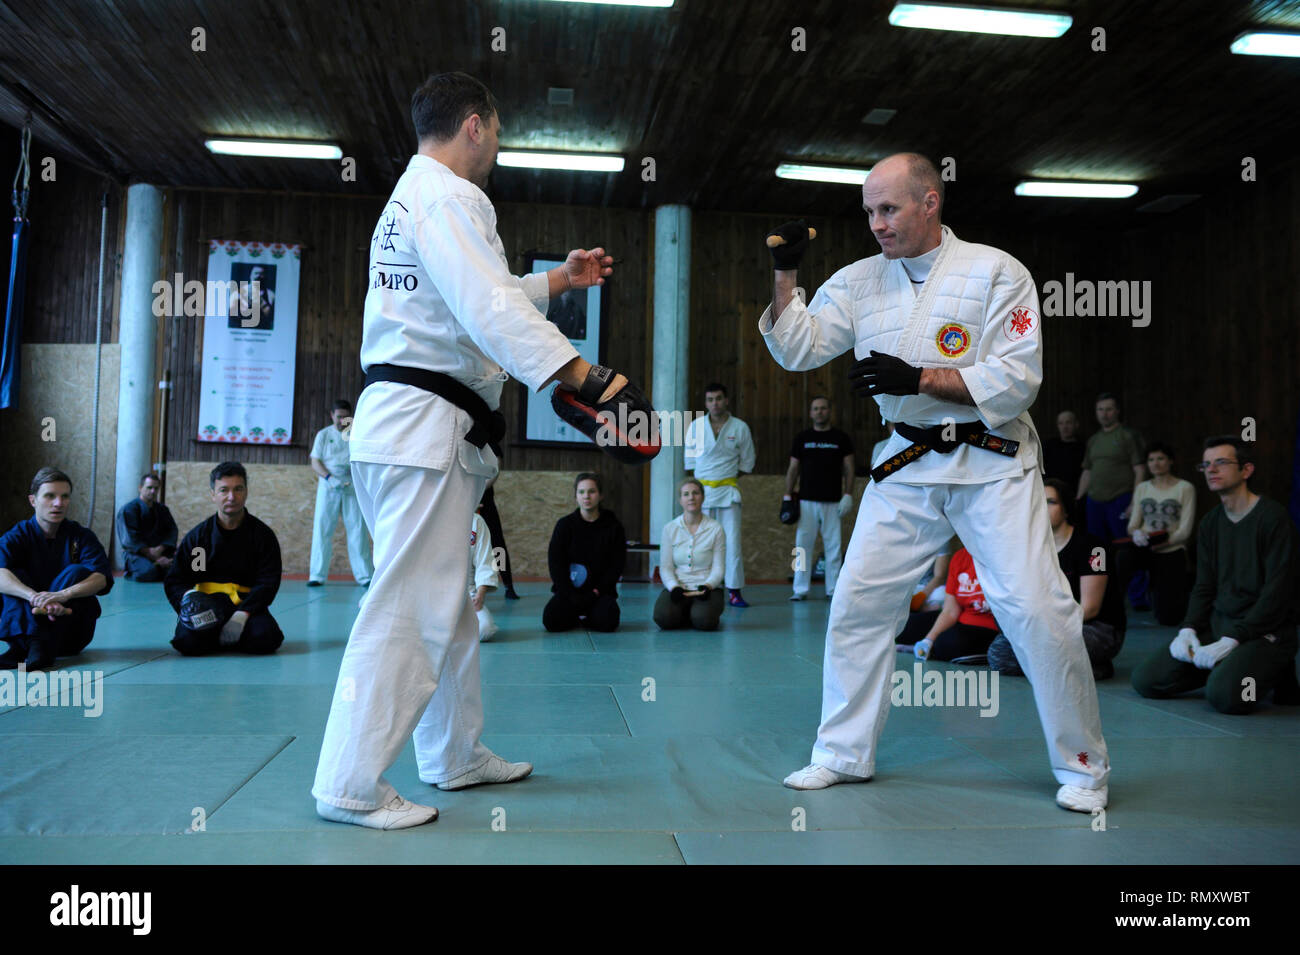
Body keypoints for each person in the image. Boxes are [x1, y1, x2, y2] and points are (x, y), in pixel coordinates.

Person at [312, 71, 646, 830]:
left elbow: (475, 294)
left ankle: (453, 753)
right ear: (476, 124)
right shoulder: (451, 197)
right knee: (407, 607)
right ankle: (350, 781)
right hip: (423, 428)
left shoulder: (418, 198)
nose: (497, 144)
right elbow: (487, 305)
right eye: (496, 130)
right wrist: (583, 374)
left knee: (452, 607)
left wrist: (560, 279)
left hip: (418, 429)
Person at [759, 152, 1109, 812]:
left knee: (1037, 610)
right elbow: (797, 346)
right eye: (868, 211)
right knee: (857, 603)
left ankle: (1084, 765)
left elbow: (1018, 381)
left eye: (888, 209)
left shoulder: (998, 272)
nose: (877, 223)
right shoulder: (860, 280)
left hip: (993, 462)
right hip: (908, 465)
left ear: (930, 202)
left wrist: (918, 378)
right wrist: (785, 272)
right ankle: (842, 751)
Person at [1131, 437, 1300, 713]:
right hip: (1219, 626)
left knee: (1225, 697)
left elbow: (1278, 593)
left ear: (1246, 470)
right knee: (1147, 680)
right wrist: (1188, 629)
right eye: (1206, 464)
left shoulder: (1274, 519)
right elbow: (1204, 586)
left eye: (1221, 462)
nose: (1211, 469)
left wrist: (1234, 638)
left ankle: (1272, 669)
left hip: (1266, 632)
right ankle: (1231, 666)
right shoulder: (1210, 523)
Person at [988, 478, 1126, 680]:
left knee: (1048, 645)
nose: (1042, 508)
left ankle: (1072, 666)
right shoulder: (1031, 549)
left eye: (1050, 502)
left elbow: (1090, 609)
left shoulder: (1094, 547)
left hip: (1095, 628)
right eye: (1038, 502)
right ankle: (1080, 669)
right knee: (1000, 655)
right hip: (1048, 625)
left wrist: (1043, 628)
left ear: (1067, 509)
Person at [165, 462, 285, 656]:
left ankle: (229, 634)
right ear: (213, 495)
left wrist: (242, 615)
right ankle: (219, 636)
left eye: (238, 489)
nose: (231, 497)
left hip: (246, 606)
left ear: (246, 492)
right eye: (224, 490)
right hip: (207, 607)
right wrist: (189, 601)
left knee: (264, 638)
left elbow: (268, 581)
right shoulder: (200, 539)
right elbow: (179, 579)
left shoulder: (261, 536)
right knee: (187, 642)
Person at [0, 467, 112, 670]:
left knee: (76, 572)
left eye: (65, 497)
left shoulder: (81, 536)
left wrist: (61, 595)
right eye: (50, 496)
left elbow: (101, 578)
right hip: (25, 633)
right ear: (33, 500)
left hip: (69, 633)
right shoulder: (17, 536)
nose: (59, 503)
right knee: (13, 576)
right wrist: (33, 597)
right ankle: (30, 645)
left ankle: (33, 646)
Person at [684, 383, 756, 607]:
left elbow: (747, 463)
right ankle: (699, 586)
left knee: (732, 544)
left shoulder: (740, 427)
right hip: (702, 496)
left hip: (728, 493)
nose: (714, 403)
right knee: (699, 543)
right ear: (706, 403)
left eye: (718, 398)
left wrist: (725, 478)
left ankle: (734, 590)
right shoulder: (696, 427)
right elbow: (690, 464)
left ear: (726, 400)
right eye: (710, 399)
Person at [1077, 393, 1145, 607]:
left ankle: (1137, 598)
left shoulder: (1127, 436)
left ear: (1117, 411)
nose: (1104, 414)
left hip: (1121, 499)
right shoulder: (1094, 440)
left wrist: (1135, 500)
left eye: (1108, 409)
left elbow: (1140, 469)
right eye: (1100, 410)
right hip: (1095, 502)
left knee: (1128, 550)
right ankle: (1099, 595)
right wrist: (1079, 498)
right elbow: (1087, 472)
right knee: (1097, 550)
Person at [1117, 442, 1196, 625]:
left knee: (1169, 618)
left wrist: (1163, 543)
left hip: (1171, 549)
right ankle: (1113, 606)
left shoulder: (1185, 488)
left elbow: (1185, 530)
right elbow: (1133, 524)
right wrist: (1136, 533)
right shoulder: (1143, 487)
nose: (1155, 463)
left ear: (1170, 462)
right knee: (1123, 557)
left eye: (1160, 458)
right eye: (1151, 460)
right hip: (1144, 545)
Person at [785, 396, 855, 600]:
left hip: (833, 502)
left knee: (833, 547)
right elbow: (792, 469)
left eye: (823, 408)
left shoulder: (841, 438)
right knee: (801, 548)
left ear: (829, 411)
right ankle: (799, 590)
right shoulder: (802, 438)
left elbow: (849, 468)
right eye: (815, 409)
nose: (819, 412)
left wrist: (848, 494)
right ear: (810, 413)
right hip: (806, 502)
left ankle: (832, 589)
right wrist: (787, 496)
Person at [543, 473, 626, 633]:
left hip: (599, 594)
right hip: (569, 593)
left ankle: (588, 617)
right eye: (581, 492)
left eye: (591, 491)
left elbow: (616, 566)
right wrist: (570, 594)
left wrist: (596, 592)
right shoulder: (564, 525)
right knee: (551, 620)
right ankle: (576, 616)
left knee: (608, 621)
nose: (586, 496)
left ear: (600, 495)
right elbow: (556, 564)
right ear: (576, 496)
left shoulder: (613, 526)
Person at [895, 545, 1001, 661]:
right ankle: (930, 647)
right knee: (905, 627)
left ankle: (989, 652)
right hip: (961, 620)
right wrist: (929, 639)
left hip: (992, 626)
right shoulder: (960, 556)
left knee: (947, 644)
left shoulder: (1003, 558)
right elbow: (950, 611)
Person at [308, 399, 373, 587]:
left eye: (346, 417)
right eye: (339, 417)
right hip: (329, 484)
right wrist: (329, 478)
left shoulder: (356, 434)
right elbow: (315, 462)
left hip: (351, 484)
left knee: (357, 531)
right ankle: (317, 576)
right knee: (323, 529)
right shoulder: (323, 435)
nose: (342, 420)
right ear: (332, 416)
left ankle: (364, 576)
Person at [655, 478, 726, 631]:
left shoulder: (716, 528)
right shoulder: (670, 528)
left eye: (696, 493)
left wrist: (708, 585)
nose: (691, 497)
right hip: (679, 587)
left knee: (704, 622)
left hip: (706, 588)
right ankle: (687, 612)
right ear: (680, 500)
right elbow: (666, 567)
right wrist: (674, 587)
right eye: (686, 494)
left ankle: (698, 612)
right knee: (663, 618)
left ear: (703, 497)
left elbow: (719, 568)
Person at [117, 472, 178, 582]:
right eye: (149, 487)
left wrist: (161, 548)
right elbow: (130, 540)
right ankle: (134, 570)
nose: (153, 491)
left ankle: (159, 567)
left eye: (156, 488)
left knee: (179, 569)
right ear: (140, 488)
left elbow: (172, 531)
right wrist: (155, 556)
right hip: (137, 553)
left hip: (160, 551)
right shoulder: (129, 510)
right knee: (148, 572)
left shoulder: (162, 510)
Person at [478, 475, 519, 599]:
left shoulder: (491, 456)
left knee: (497, 545)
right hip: (468, 503)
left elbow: (495, 472)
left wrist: (476, 488)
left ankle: (508, 585)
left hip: (486, 506)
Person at [469, 509, 499, 641]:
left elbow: (485, 561)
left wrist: (479, 595)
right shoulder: (430, 518)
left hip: (466, 592)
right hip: (432, 591)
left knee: (484, 629)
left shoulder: (476, 522)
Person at [1043, 410, 1085, 502]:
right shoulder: (1049, 445)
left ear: (1076, 424)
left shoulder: (1083, 448)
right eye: (1061, 423)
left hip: (1074, 495)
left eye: (1068, 423)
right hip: (1050, 493)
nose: (1064, 427)